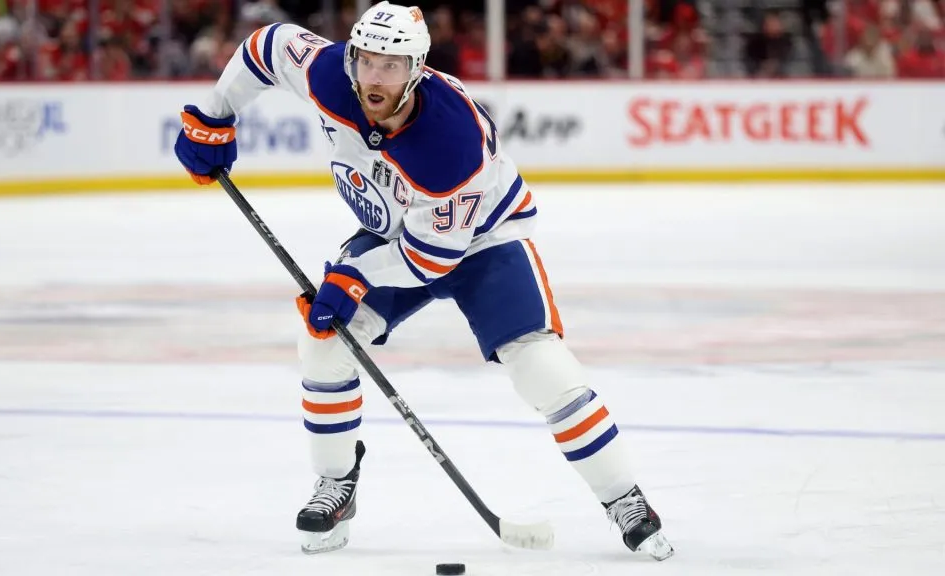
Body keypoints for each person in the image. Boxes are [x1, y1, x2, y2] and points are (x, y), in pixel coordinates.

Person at [173, 1, 673, 561]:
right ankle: (336, 484)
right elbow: (267, 46)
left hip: (483, 240)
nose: (374, 77)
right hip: (394, 234)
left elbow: (429, 260)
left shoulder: (448, 140)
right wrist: (215, 115)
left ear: (416, 68)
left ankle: (623, 497)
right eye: (367, 61)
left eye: (391, 66)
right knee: (324, 346)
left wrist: (352, 276)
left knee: (540, 366)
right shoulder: (331, 74)